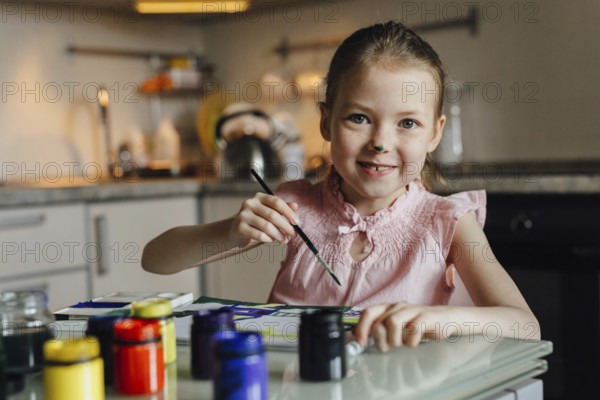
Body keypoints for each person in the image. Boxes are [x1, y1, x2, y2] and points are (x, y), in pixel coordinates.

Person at [141, 21, 540, 351]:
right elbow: (155, 259)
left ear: (435, 134)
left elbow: (525, 325)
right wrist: (227, 233)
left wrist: (440, 318)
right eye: (359, 118)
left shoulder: (448, 221)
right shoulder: (295, 204)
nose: (381, 142)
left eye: (407, 123)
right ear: (325, 122)